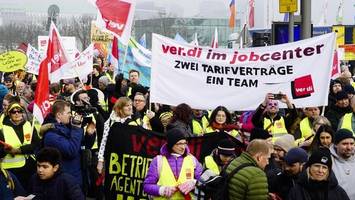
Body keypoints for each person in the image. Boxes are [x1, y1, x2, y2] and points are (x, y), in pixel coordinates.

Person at [42, 100, 95, 187]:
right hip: (63, 181)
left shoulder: (69, 128)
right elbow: (71, 151)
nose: (71, 115)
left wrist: (90, 134)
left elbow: (83, 146)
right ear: (59, 115)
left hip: (76, 177)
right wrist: (77, 129)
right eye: (68, 113)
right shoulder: (51, 134)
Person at [143, 128, 203, 199]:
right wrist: (162, 190)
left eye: (184, 143)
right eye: (179, 144)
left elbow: (204, 181)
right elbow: (146, 186)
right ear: (171, 144)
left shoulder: (192, 159)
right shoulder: (158, 161)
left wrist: (194, 183)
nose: (183, 147)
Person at [0, 103, 40, 190]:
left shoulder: (29, 125)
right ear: (9, 114)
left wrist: (19, 150)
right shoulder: (3, 129)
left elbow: (36, 143)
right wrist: (5, 150)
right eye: (13, 112)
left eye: (19, 111)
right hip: (12, 170)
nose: (17, 113)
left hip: (30, 167)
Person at [96, 97, 138, 174]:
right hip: (111, 159)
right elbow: (104, 141)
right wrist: (100, 161)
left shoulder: (134, 122)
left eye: (131, 105)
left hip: (126, 161)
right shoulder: (110, 121)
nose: (130, 107)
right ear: (120, 108)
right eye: (127, 105)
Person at [329, 129, 355, 199]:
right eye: (345, 144)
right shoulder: (328, 161)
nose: (349, 148)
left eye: (352, 144)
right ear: (336, 145)